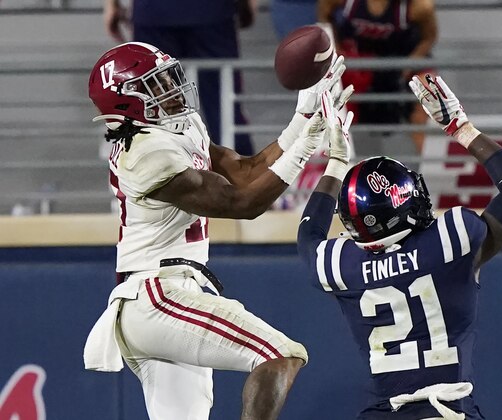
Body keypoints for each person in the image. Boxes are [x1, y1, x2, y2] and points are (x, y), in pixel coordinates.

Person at [82, 42, 352, 420]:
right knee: (279, 355)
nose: (171, 87)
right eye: (155, 85)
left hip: (170, 292)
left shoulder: (178, 127)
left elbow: (244, 172)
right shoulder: (143, 152)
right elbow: (243, 204)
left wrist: (302, 119)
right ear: (126, 102)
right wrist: (307, 149)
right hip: (155, 293)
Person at [297, 74, 502, 419]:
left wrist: (335, 163)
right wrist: (460, 127)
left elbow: (309, 235)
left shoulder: (343, 265)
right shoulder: (451, 241)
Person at [103, 0, 256, 155]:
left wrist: (111, 5)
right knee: (224, 102)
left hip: (153, 12)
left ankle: (157, 172)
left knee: (154, 103)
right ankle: (240, 174)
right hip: (212, 11)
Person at [318, 0, 438, 153]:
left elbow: (429, 37)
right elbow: (325, 17)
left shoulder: (419, 6)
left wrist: (406, 67)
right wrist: (339, 50)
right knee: (331, 103)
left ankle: (425, 168)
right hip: (359, 61)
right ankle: (339, 165)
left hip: (402, 59)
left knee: (430, 95)